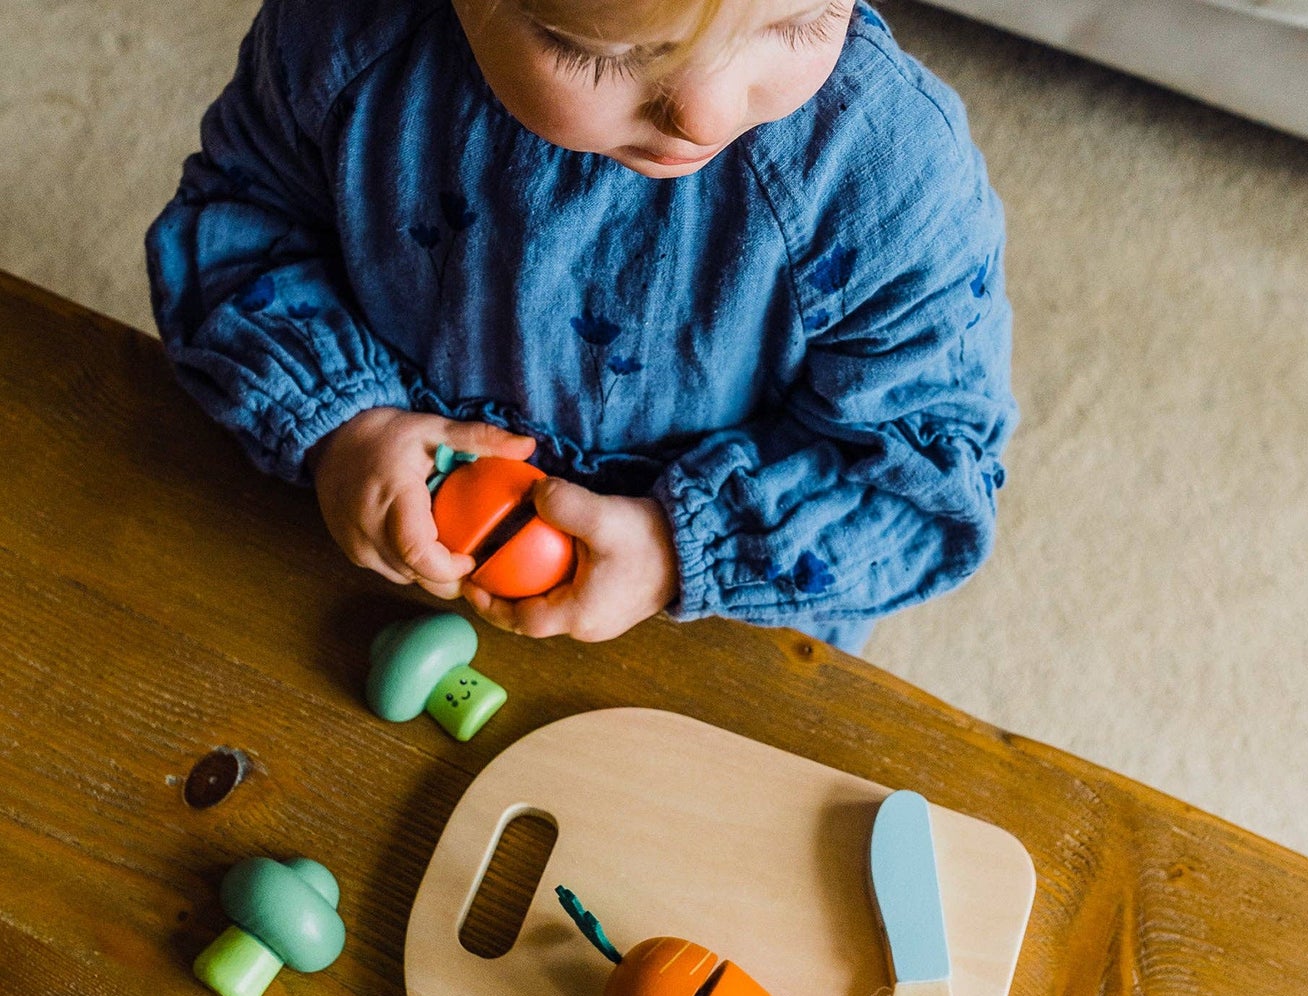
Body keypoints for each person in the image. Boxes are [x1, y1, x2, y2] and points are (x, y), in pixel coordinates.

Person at [146, 0, 1016, 652]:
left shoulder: (888, 186)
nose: (703, 115)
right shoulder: (346, 39)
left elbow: (930, 470)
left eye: (797, 22)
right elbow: (237, 221)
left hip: (721, 614)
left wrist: (678, 551)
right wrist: (344, 422)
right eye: (602, 53)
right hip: (368, 548)